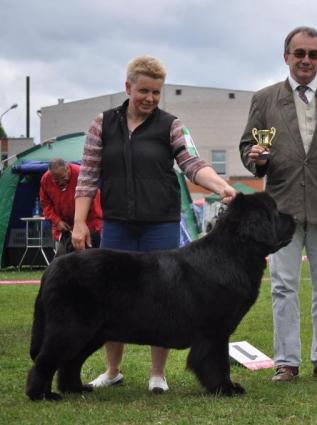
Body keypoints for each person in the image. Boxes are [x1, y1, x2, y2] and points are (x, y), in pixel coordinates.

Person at [72, 55, 236, 394]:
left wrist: (220, 186)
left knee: (164, 299)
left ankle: (157, 374)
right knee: (110, 298)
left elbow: (192, 163)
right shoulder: (100, 124)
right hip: (116, 222)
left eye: (156, 93)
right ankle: (112, 370)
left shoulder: (172, 125)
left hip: (160, 223)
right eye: (143, 90)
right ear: (128, 87)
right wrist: (79, 223)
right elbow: (87, 176)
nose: (149, 98)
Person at [239, 26, 317, 383]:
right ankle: (286, 361)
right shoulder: (264, 99)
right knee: (283, 285)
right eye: (299, 53)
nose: (306, 60)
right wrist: (256, 158)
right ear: (287, 57)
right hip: (280, 209)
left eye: (313, 54)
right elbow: (248, 148)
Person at [39, 158, 102, 256]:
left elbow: (94, 203)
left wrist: (82, 225)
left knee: (89, 258)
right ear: (50, 174)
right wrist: (57, 221)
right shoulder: (45, 179)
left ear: (67, 168)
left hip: (89, 225)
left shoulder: (82, 175)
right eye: (56, 180)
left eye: (63, 178)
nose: (60, 183)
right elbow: (45, 204)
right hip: (64, 229)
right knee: (63, 261)